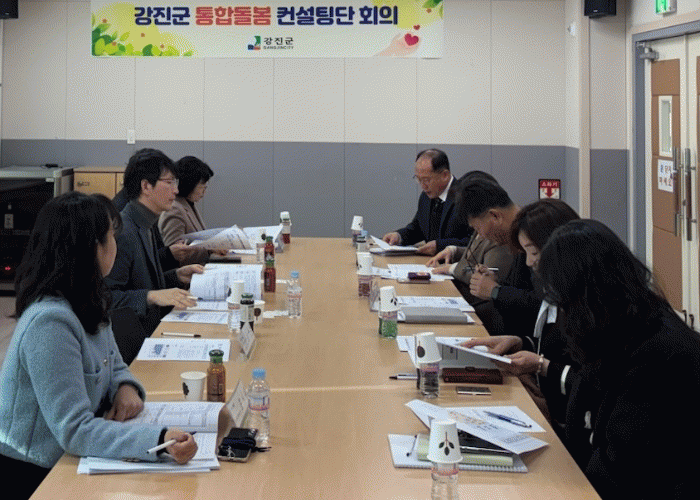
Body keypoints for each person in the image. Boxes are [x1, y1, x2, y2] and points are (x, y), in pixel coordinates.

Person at [0, 192, 197, 500]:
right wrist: (159, 439)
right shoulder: (50, 323)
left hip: (73, 458)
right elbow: (75, 430)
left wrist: (125, 386)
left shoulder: (87, 298)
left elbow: (114, 363)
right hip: (37, 474)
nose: (115, 244)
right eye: (111, 236)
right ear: (91, 248)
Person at [539, 220, 700, 499]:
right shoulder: (631, 322)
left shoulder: (656, 356)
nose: (565, 315)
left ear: (586, 296)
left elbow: (619, 468)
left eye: (566, 303)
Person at [461, 199, 580, 424]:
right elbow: (555, 344)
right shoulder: (559, 288)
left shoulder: (589, 306)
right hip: (555, 407)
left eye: (533, 252)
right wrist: (520, 343)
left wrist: (541, 366)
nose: (529, 262)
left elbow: (592, 386)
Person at [105, 149, 201, 335]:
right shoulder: (123, 232)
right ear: (146, 186)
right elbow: (107, 298)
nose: (176, 190)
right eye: (169, 182)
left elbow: (142, 282)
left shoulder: (147, 222)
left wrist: (177, 275)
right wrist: (151, 296)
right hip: (135, 338)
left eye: (175, 182)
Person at [427, 171, 513, 293]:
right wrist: (454, 250)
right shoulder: (487, 222)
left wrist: (453, 268)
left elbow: (488, 280)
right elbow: (479, 253)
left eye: (477, 228)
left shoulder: (500, 233)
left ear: (494, 216)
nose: (479, 234)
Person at [382, 149, 472, 255]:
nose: (423, 186)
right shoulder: (426, 196)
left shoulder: (465, 197)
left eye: (426, 180)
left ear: (445, 175)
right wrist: (399, 236)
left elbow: (475, 242)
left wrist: (440, 246)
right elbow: (418, 228)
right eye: (418, 179)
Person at [158, 156, 215, 265]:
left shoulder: (188, 204)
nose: (204, 192)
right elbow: (175, 255)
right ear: (191, 184)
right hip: (186, 272)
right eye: (202, 187)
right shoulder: (174, 209)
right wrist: (210, 249)